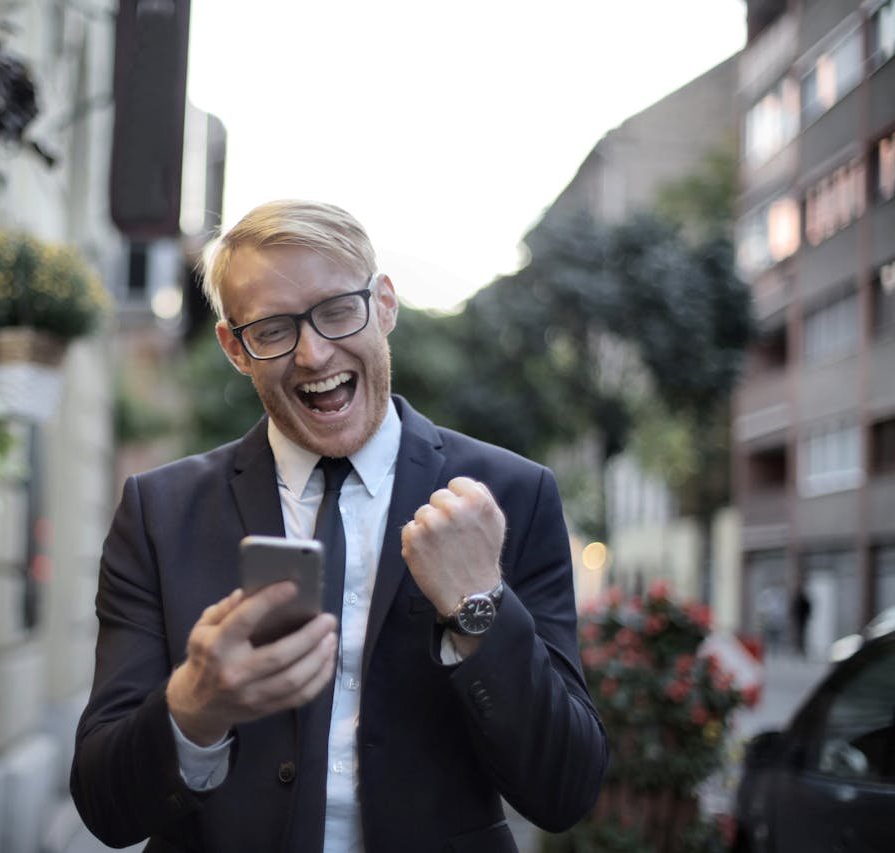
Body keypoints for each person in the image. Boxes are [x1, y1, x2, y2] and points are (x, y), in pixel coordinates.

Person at [71, 200, 608, 852]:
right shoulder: (158, 511)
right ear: (234, 348)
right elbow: (105, 807)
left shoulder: (512, 497)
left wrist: (479, 608)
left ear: (384, 303)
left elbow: (564, 790)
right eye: (272, 329)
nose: (313, 352)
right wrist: (195, 704)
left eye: (336, 310)